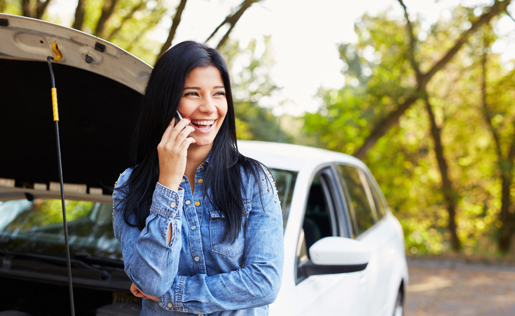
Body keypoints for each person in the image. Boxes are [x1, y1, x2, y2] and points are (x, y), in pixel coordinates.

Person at [112, 41, 284, 315]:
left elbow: (264, 283)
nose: (209, 108)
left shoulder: (253, 180)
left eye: (218, 94)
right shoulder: (129, 185)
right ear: (166, 102)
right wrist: (167, 184)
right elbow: (152, 281)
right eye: (193, 94)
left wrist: (174, 294)